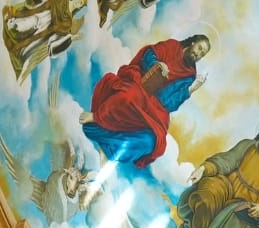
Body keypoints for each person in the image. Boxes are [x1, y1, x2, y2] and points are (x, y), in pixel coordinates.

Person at [82, 34, 211, 168]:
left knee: (154, 142)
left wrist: (190, 90)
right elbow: (149, 54)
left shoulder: (190, 76)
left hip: (156, 108)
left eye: (203, 53)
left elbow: (168, 103)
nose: (199, 54)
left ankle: (108, 151)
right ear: (193, 43)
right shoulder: (173, 46)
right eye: (200, 48)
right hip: (140, 83)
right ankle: (96, 118)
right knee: (129, 96)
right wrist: (156, 65)